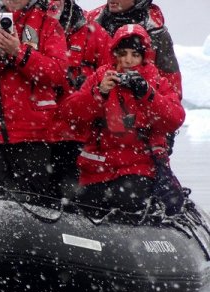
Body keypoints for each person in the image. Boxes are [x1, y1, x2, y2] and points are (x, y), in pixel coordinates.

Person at [58, 24, 185, 213]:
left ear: (143, 57)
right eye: (123, 53)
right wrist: (98, 93)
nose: (128, 60)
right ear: (115, 53)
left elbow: (176, 118)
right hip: (96, 169)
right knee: (80, 207)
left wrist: (148, 94)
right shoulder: (100, 77)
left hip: (138, 168)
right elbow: (69, 114)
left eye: (135, 55)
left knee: (127, 201)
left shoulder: (156, 82)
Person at [0, 0, 68, 195]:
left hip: (34, 133)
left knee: (32, 204)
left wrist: (19, 53)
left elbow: (58, 73)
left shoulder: (48, 23)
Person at [47, 0, 110, 198]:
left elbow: (111, 80)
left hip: (76, 137)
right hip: (31, 136)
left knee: (73, 198)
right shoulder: (24, 28)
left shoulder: (96, 36)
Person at [87, 0, 181, 97]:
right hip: (96, 106)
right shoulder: (87, 24)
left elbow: (172, 91)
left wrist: (147, 94)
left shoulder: (157, 34)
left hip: (142, 107)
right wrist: (95, 91)